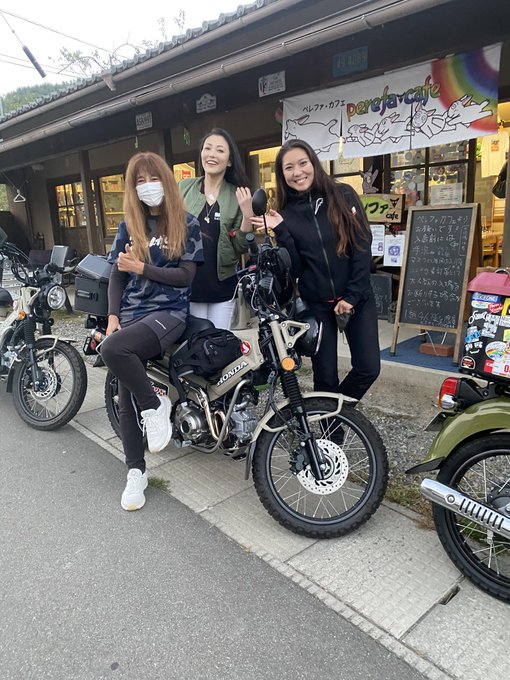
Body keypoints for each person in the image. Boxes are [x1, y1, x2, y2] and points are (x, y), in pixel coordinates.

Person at [100, 151, 203, 511]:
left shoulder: (187, 223)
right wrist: (113, 316)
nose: (147, 186)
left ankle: (154, 405)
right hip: (132, 315)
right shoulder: (129, 226)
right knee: (125, 391)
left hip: (169, 313)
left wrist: (142, 268)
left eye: (153, 178)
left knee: (112, 351)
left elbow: (186, 276)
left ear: (166, 180)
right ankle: (136, 472)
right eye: (139, 181)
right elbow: (116, 274)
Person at [252, 139, 380, 405]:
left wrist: (352, 296)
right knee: (325, 379)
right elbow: (297, 268)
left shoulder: (343, 194)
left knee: (368, 368)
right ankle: (329, 428)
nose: (297, 172)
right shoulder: (287, 214)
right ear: (282, 174)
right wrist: (281, 230)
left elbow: (361, 245)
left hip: (357, 297)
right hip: (318, 305)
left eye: (303, 163)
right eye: (289, 168)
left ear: (313, 163)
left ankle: (337, 415)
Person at [179, 128, 253, 329]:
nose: (212, 154)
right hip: (189, 286)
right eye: (208, 148)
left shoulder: (237, 194)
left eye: (220, 150)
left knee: (219, 342)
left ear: (229, 160)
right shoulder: (183, 188)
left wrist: (247, 215)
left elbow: (240, 247)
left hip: (222, 287)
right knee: (195, 343)